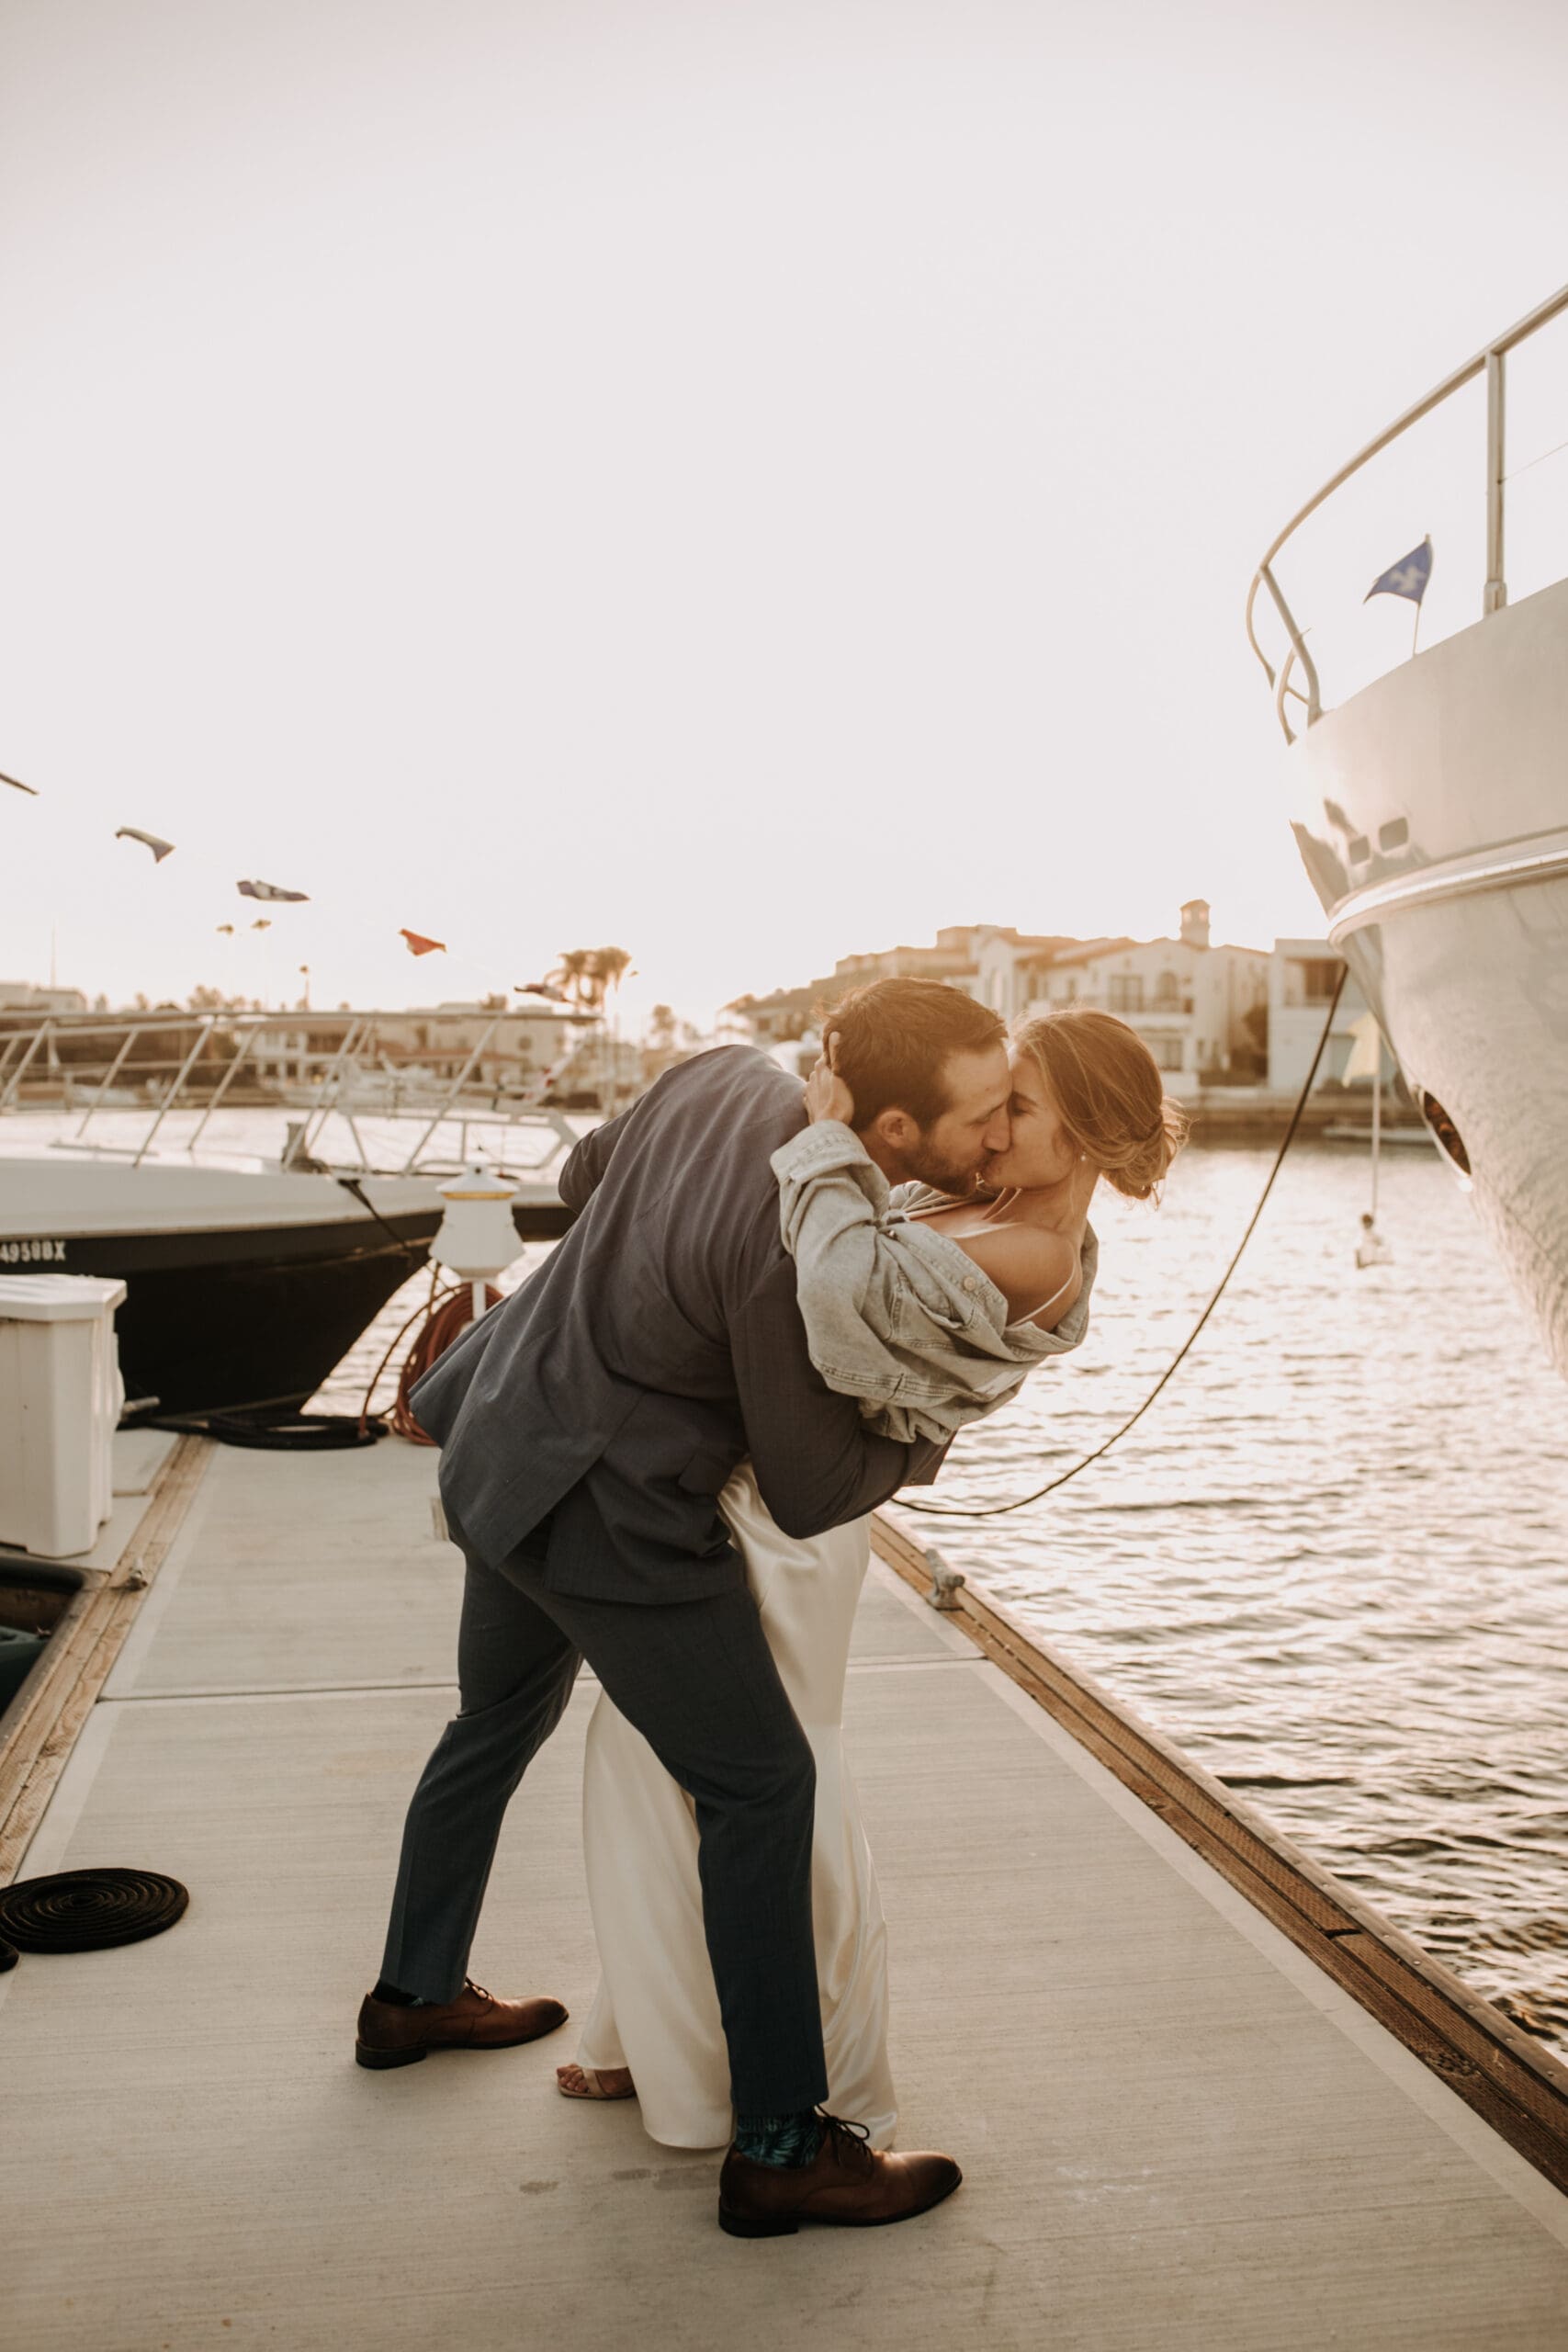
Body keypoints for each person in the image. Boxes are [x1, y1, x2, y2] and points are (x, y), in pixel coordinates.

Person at [356, 976, 1010, 2237]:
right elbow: (815, 1488)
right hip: (603, 1515)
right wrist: (935, 1423)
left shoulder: (718, 1070)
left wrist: (630, 1300)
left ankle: (409, 1996)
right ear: (885, 1135)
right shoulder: (793, 1246)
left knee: (487, 1725)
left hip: (498, 1435)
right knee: (761, 1787)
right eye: (977, 1116)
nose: (994, 1135)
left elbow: (580, 1177)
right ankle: (777, 2148)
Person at [558, 1001, 1186, 2150]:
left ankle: (832, 2086)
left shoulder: (1035, 1254)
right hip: (748, 1486)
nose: (991, 1131)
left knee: (747, 1783)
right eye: (994, 1105)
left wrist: (827, 1134)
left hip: (792, 1529)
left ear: (1087, 1137)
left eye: (1017, 1110)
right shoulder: (984, 1205)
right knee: (651, 1764)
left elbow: (836, 1288)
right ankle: (649, 2041)